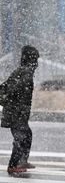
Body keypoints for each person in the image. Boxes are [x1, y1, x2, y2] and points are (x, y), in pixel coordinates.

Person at [0, 45, 39, 175]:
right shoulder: (25, 72)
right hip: (16, 113)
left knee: (26, 134)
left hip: (18, 112)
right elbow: (12, 90)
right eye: (35, 59)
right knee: (21, 137)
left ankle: (22, 160)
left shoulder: (23, 71)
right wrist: (17, 106)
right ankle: (12, 165)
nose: (37, 63)